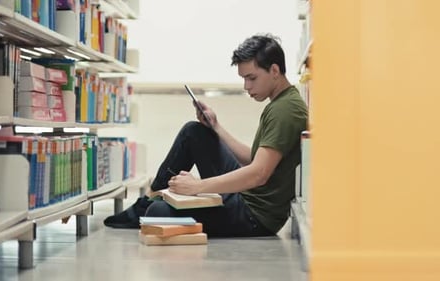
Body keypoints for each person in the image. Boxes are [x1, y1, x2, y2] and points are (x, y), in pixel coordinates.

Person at [104, 33, 308, 237]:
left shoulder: (285, 110)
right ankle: (150, 200)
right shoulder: (282, 103)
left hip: (254, 217)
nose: (247, 86)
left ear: (274, 70)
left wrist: (197, 187)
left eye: (251, 78)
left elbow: (258, 174)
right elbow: (255, 160)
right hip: (247, 199)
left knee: (158, 212)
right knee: (194, 132)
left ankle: (148, 205)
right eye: (244, 79)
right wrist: (216, 126)